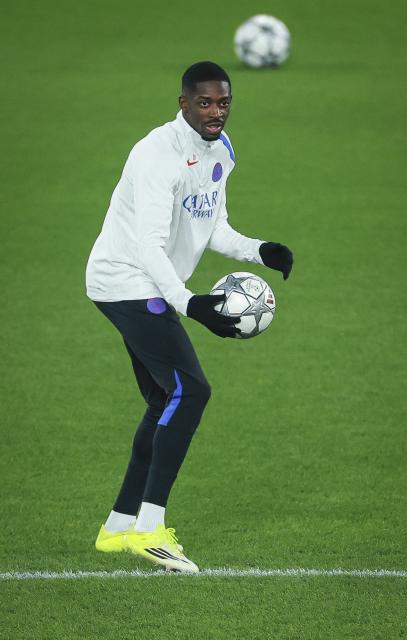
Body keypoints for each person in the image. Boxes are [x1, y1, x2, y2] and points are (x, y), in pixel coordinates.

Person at [85, 61, 293, 572]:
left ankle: (118, 527)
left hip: (150, 283)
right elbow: (150, 245)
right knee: (191, 390)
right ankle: (150, 528)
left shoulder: (220, 150)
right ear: (183, 103)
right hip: (126, 281)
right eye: (204, 102)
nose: (215, 111)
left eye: (223, 102)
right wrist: (191, 303)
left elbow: (212, 224)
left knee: (164, 397)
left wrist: (259, 250)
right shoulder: (157, 154)